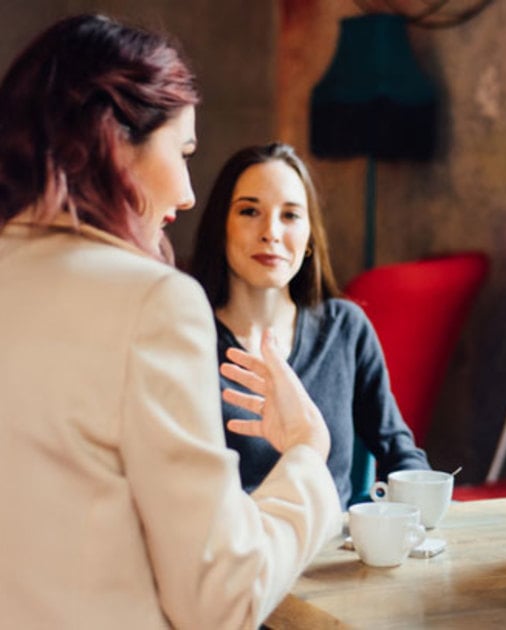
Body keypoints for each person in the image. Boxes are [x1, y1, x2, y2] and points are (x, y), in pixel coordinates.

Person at [0, 14, 342, 628]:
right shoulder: (153, 303)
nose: (187, 193)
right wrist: (308, 456)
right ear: (112, 143)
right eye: (181, 151)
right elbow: (221, 599)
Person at [190, 142, 430, 508]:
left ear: (309, 240)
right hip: (240, 555)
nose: (271, 232)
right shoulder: (187, 338)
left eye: (290, 215)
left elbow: (401, 453)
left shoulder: (345, 328)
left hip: (338, 555)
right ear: (220, 227)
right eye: (250, 211)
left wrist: (423, 513)